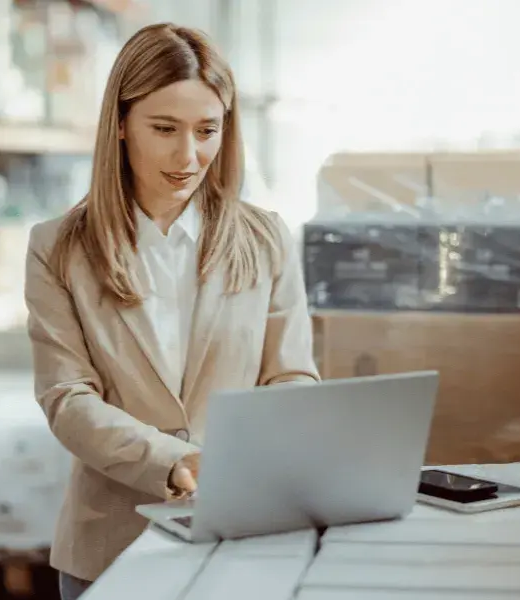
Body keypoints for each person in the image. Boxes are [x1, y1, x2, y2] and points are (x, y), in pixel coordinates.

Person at [24, 22, 320, 600]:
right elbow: (68, 399)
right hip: (109, 546)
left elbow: (292, 376)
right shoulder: (57, 248)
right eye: (164, 129)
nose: (189, 156)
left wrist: (263, 452)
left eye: (207, 130)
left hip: (242, 537)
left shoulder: (266, 239)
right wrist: (178, 459)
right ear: (121, 126)